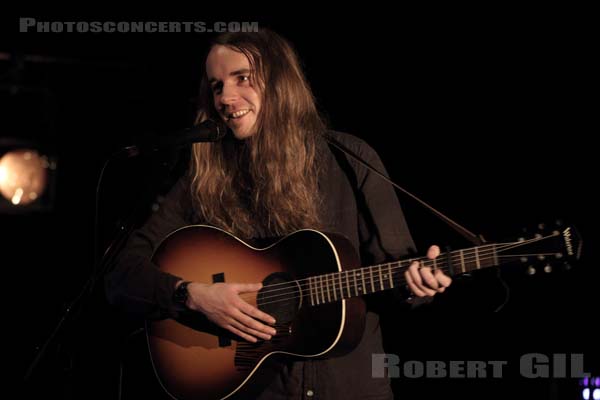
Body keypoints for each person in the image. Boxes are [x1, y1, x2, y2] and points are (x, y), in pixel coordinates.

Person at [105, 28, 452, 399]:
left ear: (280, 82)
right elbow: (122, 274)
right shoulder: (205, 177)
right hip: (256, 389)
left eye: (242, 78)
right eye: (216, 85)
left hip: (349, 387)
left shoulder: (349, 160)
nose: (225, 97)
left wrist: (419, 284)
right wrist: (191, 295)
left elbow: (399, 271)